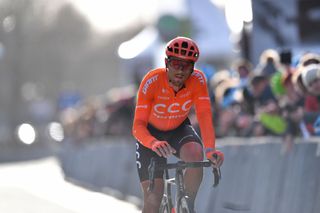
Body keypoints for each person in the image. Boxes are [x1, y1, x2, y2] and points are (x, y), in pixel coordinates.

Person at [132, 36, 224, 213]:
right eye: (176, 64)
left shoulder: (198, 80)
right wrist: (153, 143)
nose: (180, 71)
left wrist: (211, 150)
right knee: (153, 199)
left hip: (179, 129)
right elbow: (138, 126)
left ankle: (185, 206)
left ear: (193, 67)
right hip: (150, 136)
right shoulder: (151, 81)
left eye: (186, 65)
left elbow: (204, 116)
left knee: (196, 154)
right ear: (167, 63)